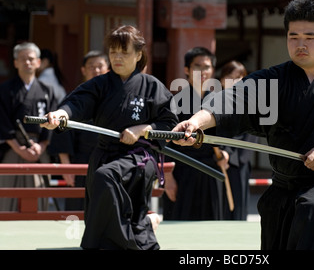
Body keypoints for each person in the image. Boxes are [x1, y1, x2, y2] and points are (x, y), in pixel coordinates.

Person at [171, 0, 314, 250]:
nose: (300, 44)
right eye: (293, 36)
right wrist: (196, 121)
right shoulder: (272, 81)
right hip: (283, 189)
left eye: (310, 37)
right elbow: (233, 99)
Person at [41, 25, 178, 250]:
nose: (117, 57)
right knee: (113, 197)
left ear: (138, 55)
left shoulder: (152, 87)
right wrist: (60, 114)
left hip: (139, 158)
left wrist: (142, 129)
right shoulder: (101, 84)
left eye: (124, 52)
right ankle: (142, 229)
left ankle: (124, 242)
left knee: (106, 177)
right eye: (113, 51)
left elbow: (170, 124)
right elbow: (77, 103)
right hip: (105, 154)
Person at [162, 47, 226, 220]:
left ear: (212, 70)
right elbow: (164, 143)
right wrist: (167, 177)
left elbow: (226, 136)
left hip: (210, 171)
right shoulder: (175, 101)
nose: (203, 71)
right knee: (180, 224)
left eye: (207, 67)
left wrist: (226, 153)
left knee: (211, 227)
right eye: (197, 66)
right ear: (187, 70)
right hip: (182, 172)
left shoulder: (220, 101)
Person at [47, 50, 110, 210]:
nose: (96, 70)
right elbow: (62, 135)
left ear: (108, 69)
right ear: (83, 70)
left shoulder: (117, 97)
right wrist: (66, 167)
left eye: (100, 66)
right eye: (91, 66)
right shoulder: (75, 98)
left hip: (111, 161)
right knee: (78, 211)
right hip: (81, 162)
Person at [0, 42, 58, 211]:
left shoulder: (48, 90)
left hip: (39, 148)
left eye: (31, 59)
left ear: (38, 62)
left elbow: (53, 124)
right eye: (22, 59)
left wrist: (41, 146)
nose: (27, 62)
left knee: (39, 196)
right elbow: (2, 123)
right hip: (13, 147)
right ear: (15, 62)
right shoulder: (5, 89)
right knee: (7, 196)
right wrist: (20, 149)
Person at [218, 60, 257, 220]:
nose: (235, 82)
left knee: (237, 208)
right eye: (230, 77)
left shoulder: (249, 103)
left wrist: (228, 154)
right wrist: (220, 153)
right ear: (221, 80)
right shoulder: (213, 101)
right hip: (217, 159)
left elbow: (249, 134)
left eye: (240, 78)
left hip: (238, 162)